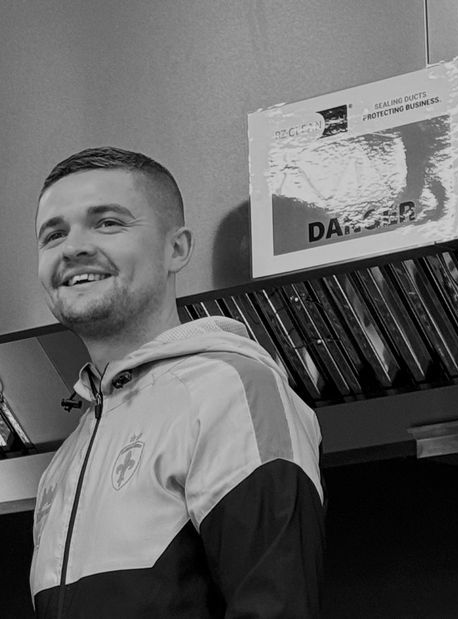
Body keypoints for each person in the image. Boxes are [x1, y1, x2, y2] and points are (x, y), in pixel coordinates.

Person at [27, 147, 325, 616]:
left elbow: (277, 605)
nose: (72, 248)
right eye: (54, 234)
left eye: (107, 223)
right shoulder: (67, 461)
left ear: (177, 249)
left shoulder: (234, 391)